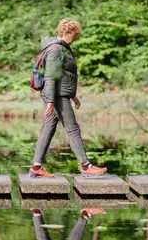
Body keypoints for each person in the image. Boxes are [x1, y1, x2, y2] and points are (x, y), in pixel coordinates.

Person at [29, 19, 107, 179]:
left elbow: (65, 75)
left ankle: (36, 167)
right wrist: (50, 101)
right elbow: (50, 77)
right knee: (73, 129)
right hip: (56, 95)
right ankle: (86, 166)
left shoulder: (62, 48)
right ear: (66, 32)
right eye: (75, 35)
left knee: (48, 128)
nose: (76, 38)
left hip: (60, 93)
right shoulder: (56, 50)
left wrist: (73, 95)